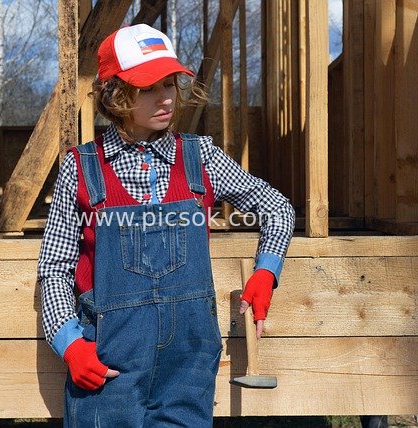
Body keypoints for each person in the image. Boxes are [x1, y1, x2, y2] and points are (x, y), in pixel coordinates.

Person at [38, 23, 295, 427]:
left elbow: (277, 209)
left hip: (189, 364)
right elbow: (54, 267)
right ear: (115, 94)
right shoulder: (82, 168)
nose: (166, 97)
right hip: (108, 362)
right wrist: (70, 345)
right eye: (148, 87)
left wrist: (266, 272)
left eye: (170, 83)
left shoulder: (200, 158)